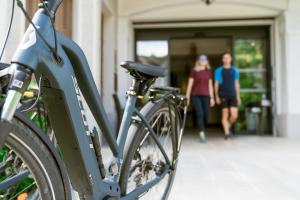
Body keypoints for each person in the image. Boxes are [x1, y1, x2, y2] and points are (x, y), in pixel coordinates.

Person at [186, 55, 215, 143]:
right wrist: (187, 97)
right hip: (196, 96)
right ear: (198, 61)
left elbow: (210, 86)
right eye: (201, 59)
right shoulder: (194, 72)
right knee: (200, 114)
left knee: (206, 114)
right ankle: (202, 134)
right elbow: (190, 85)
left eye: (204, 59)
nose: (203, 61)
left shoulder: (209, 72)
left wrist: (212, 97)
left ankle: (202, 129)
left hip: (206, 96)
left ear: (207, 62)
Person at [214, 52, 241, 140]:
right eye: (224, 58)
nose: (226, 59)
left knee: (234, 115)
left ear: (231, 59)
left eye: (228, 58)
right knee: (225, 114)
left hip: (233, 94)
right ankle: (226, 133)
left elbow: (236, 83)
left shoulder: (235, 70)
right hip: (223, 94)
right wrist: (216, 96)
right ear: (222, 59)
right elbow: (216, 84)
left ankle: (227, 127)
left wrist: (238, 96)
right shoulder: (219, 70)